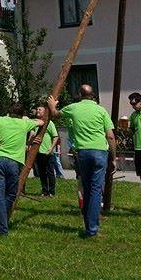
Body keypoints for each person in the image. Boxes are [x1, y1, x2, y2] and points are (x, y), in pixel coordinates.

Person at [48, 85, 116, 238]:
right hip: (100, 151)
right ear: (93, 96)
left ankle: (89, 226)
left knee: (86, 188)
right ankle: (92, 228)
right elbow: (110, 136)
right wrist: (113, 158)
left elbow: (55, 114)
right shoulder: (101, 110)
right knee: (96, 190)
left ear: (80, 94)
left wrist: (52, 105)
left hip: (83, 152)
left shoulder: (73, 108)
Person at [0, 103, 46, 236]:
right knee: (10, 194)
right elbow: (42, 121)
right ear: (22, 114)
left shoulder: (1, 120)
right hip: (14, 162)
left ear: (9, 112)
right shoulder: (24, 124)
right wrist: (27, 119)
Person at [33, 105, 59, 197]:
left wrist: (51, 148)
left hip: (48, 152)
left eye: (40, 109)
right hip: (38, 152)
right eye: (37, 109)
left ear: (44, 112)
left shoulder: (49, 123)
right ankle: (44, 191)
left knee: (50, 172)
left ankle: (52, 191)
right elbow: (33, 135)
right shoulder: (35, 123)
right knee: (42, 173)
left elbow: (55, 136)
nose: (37, 110)